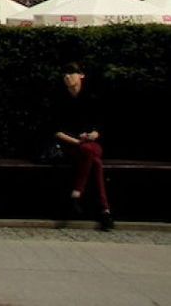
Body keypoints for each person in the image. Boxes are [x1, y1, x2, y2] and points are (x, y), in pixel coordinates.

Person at [53, 61, 113, 230]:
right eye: (64, 74)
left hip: (90, 145)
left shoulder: (91, 98)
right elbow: (57, 131)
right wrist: (77, 141)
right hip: (69, 146)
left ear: (81, 75)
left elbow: (99, 128)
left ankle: (75, 196)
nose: (67, 77)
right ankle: (105, 210)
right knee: (96, 161)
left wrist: (93, 134)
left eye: (71, 73)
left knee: (90, 152)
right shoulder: (60, 100)